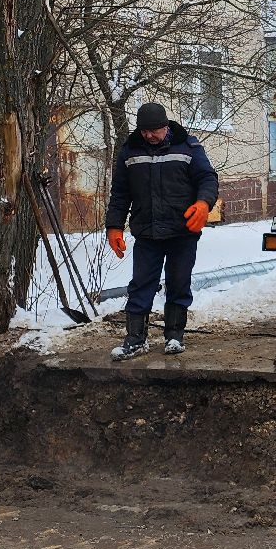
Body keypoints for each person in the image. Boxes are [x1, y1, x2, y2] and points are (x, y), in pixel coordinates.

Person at [105, 101, 218, 360]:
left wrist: (204, 203)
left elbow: (207, 178)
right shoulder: (130, 152)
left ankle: (174, 336)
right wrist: (114, 226)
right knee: (140, 285)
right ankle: (135, 340)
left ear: (166, 127)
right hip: (147, 233)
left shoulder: (188, 147)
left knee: (179, 283)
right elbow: (120, 193)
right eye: (144, 131)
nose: (149, 136)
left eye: (154, 130)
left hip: (182, 232)